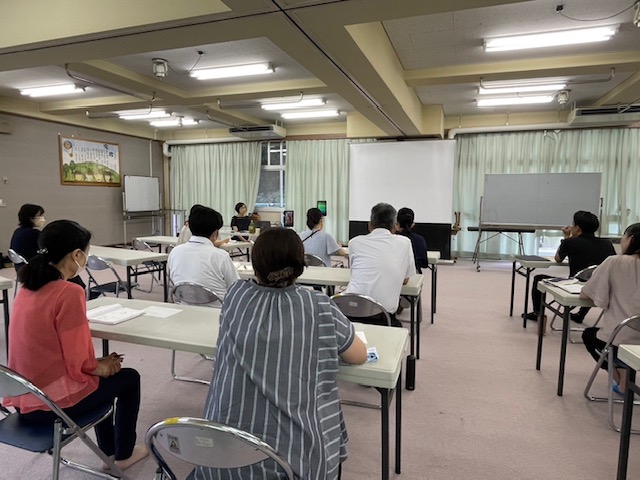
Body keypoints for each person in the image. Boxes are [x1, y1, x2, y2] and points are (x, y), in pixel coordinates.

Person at [196, 228, 366, 480]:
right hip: (293, 465)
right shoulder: (319, 305)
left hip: (221, 458)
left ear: (255, 265)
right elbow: (358, 355)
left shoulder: (235, 296)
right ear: (300, 265)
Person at [4, 220, 148, 470]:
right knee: (128, 378)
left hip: (24, 399)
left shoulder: (27, 288)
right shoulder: (68, 292)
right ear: (77, 255)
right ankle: (122, 454)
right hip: (50, 406)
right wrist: (101, 367)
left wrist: (98, 365)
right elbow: (79, 361)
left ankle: (109, 451)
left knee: (103, 379)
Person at [580, 223, 640, 392]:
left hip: (620, 337)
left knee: (589, 335)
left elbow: (587, 294)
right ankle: (626, 376)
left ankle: (622, 380)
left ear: (631, 239)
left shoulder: (615, 262)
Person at [525, 210, 615, 323]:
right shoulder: (607, 243)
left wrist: (566, 237)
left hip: (575, 284)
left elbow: (558, 258)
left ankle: (537, 313)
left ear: (577, 228)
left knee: (538, 278)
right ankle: (580, 315)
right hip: (600, 288)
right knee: (592, 279)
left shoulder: (571, 242)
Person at [344, 203, 415, 327]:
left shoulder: (354, 242)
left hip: (351, 310)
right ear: (394, 226)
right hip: (383, 315)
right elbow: (405, 280)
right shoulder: (405, 243)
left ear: (369, 225)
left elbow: (355, 273)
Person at [168, 205, 240, 301]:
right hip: (218, 308)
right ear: (215, 233)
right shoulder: (221, 256)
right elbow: (236, 287)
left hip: (184, 306)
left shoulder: (175, 252)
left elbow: (173, 279)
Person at [9, 203, 45, 268]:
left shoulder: (18, 231)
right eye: (40, 216)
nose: (42, 218)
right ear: (31, 218)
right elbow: (44, 250)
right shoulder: (33, 233)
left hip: (20, 267)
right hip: (32, 267)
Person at [396, 207, 428, 273]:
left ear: (396, 223)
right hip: (413, 273)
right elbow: (424, 264)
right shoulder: (420, 240)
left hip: (392, 273)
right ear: (412, 224)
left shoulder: (391, 239)